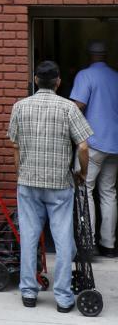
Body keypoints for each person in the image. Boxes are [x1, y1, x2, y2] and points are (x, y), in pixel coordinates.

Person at [8, 61, 92, 312]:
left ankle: (28, 292)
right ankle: (64, 298)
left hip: (28, 182)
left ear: (35, 80)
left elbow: (15, 146)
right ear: (58, 82)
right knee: (64, 240)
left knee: (30, 237)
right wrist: (82, 173)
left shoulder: (19, 107)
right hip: (59, 184)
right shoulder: (68, 108)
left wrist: (19, 173)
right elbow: (84, 146)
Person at [70, 40, 118, 258]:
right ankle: (109, 244)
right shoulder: (116, 76)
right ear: (105, 55)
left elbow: (77, 106)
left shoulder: (85, 75)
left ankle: (88, 243)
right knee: (109, 192)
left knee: (84, 190)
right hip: (115, 144)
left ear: (89, 55)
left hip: (93, 143)